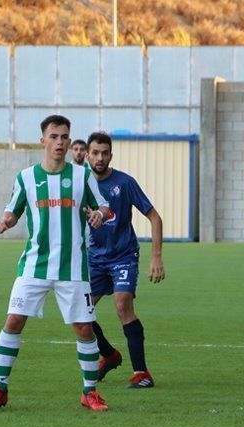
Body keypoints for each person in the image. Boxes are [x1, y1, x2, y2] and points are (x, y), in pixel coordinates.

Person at [0, 115, 113, 411]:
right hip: (33, 267)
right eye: (54, 136)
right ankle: (0, 388)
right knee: (13, 322)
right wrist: (6, 222)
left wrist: (100, 215)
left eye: (65, 136)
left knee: (85, 330)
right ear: (43, 140)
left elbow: (104, 205)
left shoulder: (82, 175)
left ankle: (89, 392)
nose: (60, 142)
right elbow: (13, 211)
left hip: (74, 269)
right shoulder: (26, 178)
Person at [85, 132, 166, 389]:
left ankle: (142, 373)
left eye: (104, 153)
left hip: (123, 256)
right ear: (87, 155)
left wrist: (156, 257)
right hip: (94, 258)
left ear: (111, 155)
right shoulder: (80, 183)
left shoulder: (125, 182)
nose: (100, 158)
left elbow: (155, 217)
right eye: (95, 153)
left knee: (122, 305)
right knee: (81, 313)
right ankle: (109, 354)